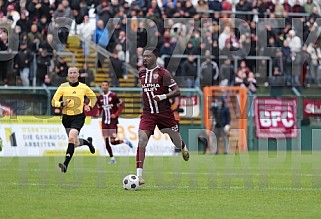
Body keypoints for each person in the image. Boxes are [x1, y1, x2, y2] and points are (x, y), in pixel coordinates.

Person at [136, 48, 190, 185]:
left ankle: (183, 146)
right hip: (148, 113)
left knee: (176, 142)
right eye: (144, 56)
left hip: (164, 113)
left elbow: (177, 91)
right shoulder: (141, 73)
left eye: (148, 56)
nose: (145, 58)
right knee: (142, 139)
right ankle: (139, 176)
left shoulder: (163, 73)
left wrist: (163, 96)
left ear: (155, 57)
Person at [51, 66, 97, 173]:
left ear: (78, 74)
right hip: (66, 118)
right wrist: (62, 103)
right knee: (75, 143)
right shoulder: (63, 87)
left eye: (74, 73)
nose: (72, 75)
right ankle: (87, 142)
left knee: (71, 138)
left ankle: (65, 164)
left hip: (78, 117)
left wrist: (89, 106)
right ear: (68, 75)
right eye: (70, 73)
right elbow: (53, 101)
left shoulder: (83, 87)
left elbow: (93, 97)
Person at [95, 81, 133, 164]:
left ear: (108, 86)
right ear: (101, 87)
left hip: (112, 122)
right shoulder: (100, 97)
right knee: (106, 140)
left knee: (112, 141)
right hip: (104, 121)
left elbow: (122, 104)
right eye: (103, 85)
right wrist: (98, 112)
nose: (104, 86)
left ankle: (124, 141)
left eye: (106, 85)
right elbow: (100, 107)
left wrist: (116, 114)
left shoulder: (113, 96)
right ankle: (112, 158)